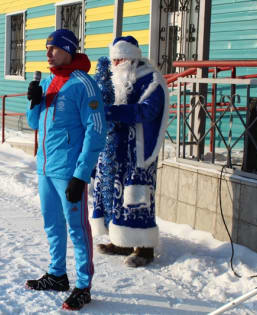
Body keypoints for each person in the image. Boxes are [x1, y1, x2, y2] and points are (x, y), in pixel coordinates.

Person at [25, 29, 106, 311]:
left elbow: (96, 130)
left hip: (69, 171)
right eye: (47, 48)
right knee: (52, 225)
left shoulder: (84, 84)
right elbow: (35, 123)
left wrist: (81, 174)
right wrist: (34, 101)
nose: (48, 53)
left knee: (77, 228)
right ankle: (57, 274)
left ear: (69, 50)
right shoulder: (48, 81)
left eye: (54, 48)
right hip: (45, 167)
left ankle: (83, 286)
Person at [91, 36, 169, 267]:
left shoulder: (151, 79)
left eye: (120, 59)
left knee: (137, 197)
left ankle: (144, 248)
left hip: (138, 150)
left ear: (132, 58)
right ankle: (121, 240)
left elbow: (149, 110)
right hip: (114, 148)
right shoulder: (113, 80)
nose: (116, 64)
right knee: (115, 195)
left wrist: (114, 113)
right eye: (114, 60)